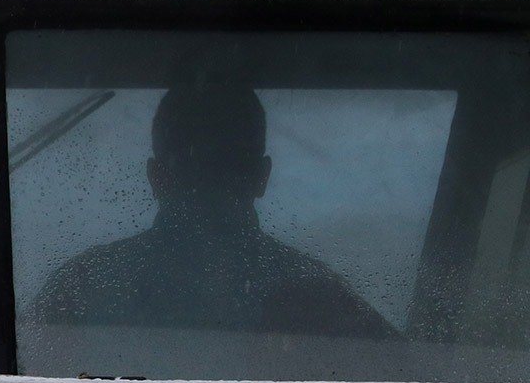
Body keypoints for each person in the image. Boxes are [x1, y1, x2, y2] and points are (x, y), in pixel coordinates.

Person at [32, 84, 397, 338]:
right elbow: (410, 375)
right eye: (195, 169)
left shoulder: (80, 288)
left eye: (220, 168)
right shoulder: (321, 297)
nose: (207, 187)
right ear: (261, 177)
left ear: (156, 177)